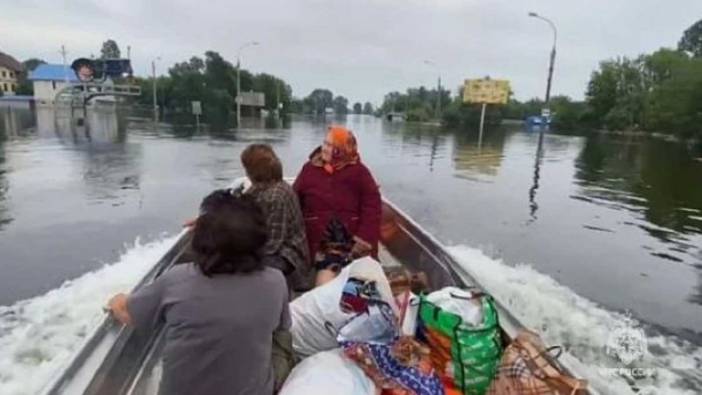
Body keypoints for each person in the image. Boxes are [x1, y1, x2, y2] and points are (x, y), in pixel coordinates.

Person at [107, 190, 290, 395]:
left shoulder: (177, 280)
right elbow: (281, 329)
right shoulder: (276, 281)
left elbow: (127, 314)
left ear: (202, 239)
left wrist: (117, 301)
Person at [293, 125, 382, 285]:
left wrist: (362, 240)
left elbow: (372, 208)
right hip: (323, 244)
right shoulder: (309, 169)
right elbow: (294, 200)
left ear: (342, 150)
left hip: (353, 243)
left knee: (360, 287)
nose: (323, 148)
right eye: (324, 143)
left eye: (329, 145)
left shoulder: (359, 172)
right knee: (324, 287)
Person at [241, 144, 312, 292]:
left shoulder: (277, 196)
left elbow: (273, 245)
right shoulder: (262, 186)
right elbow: (240, 203)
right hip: (271, 248)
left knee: (245, 266)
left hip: (289, 257)